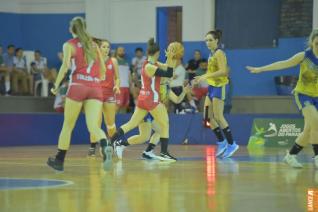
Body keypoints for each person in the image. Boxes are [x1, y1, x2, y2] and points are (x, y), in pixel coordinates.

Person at [246, 28, 318, 168]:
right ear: (312, 43)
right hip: (303, 95)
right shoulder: (304, 56)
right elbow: (282, 64)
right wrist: (261, 69)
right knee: (316, 121)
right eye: (317, 44)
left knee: (309, 129)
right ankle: (316, 157)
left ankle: (290, 156)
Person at [47, 17, 111, 172]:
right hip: (95, 87)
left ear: (71, 29)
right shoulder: (94, 44)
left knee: (68, 126)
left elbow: (65, 66)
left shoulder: (69, 45)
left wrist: (56, 86)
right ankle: (104, 145)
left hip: (77, 86)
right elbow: (103, 67)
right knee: (94, 126)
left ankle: (59, 161)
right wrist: (99, 78)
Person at [110, 38, 182, 161]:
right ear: (157, 53)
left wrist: (173, 57)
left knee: (133, 125)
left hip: (143, 99)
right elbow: (169, 74)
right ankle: (164, 152)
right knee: (164, 125)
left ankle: (112, 142)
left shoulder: (151, 63)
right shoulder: (150, 67)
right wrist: (170, 57)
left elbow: (170, 69)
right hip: (151, 99)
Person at [115, 84, 192, 160]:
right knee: (144, 137)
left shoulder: (166, 86)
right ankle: (121, 143)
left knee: (160, 131)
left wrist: (184, 91)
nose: (169, 78)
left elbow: (177, 100)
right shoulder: (153, 83)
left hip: (154, 112)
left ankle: (148, 151)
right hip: (146, 111)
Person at [194, 29, 239, 158]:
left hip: (220, 87)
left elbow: (224, 71)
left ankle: (232, 144)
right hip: (212, 88)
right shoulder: (211, 54)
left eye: (210, 40)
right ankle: (222, 142)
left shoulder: (219, 53)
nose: (208, 42)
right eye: (206, 40)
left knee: (219, 117)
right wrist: (201, 79)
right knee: (208, 117)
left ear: (217, 41)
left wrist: (204, 76)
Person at [88, 38, 120, 156]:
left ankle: (112, 144)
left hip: (109, 95)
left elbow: (117, 77)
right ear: (99, 48)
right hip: (95, 95)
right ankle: (92, 147)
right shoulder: (93, 60)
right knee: (95, 123)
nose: (106, 49)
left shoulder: (113, 61)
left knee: (111, 124)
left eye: (108, 47)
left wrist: (117, 85)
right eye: (104, 47)